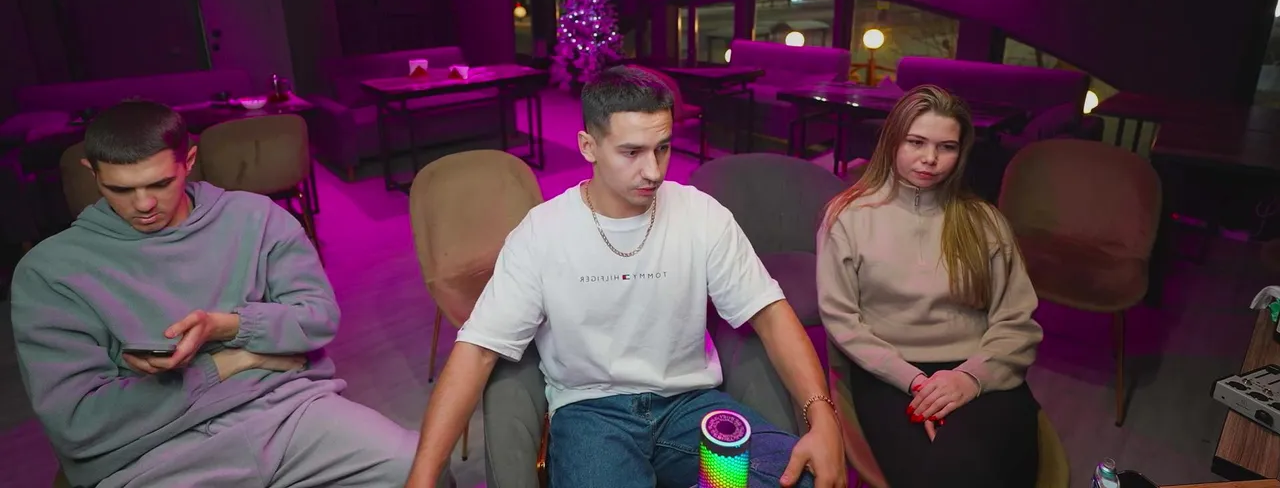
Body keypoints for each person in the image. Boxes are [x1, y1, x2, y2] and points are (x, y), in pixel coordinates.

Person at [404, 66, 845, 488]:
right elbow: (478, 351)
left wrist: (823, 419)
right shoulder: (542, 233)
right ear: (588, 146)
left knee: (800, 477)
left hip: (690, 406)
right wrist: (423, 476)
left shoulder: (701, 214)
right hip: (591, 413)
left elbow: (770, 313)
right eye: (631, 152)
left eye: (663, 148)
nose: (653, 171)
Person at [10, 101, 416, 488]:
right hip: (153, 452)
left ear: (188, 161)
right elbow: (77, 423)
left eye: (160, 183)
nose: (144, 204)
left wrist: (226, 326)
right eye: (120, 189)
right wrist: (230, 363)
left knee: (418, 467)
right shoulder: (51, 271)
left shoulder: (255, 217)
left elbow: (318, 319)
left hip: (286, 411)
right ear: (92, 172)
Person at [817, 85, 1043, 488]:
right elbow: (842, 322)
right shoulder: (848, 217)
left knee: (993, 472)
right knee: (940, 476)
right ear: (892, 141)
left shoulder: (985, 221)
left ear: (962, 152)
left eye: (946, 147)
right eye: (916, 142)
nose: (930, 159)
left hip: (979, 367)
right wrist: (915, 382)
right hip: (888, 372)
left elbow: (1017, 322)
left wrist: (969, 378)